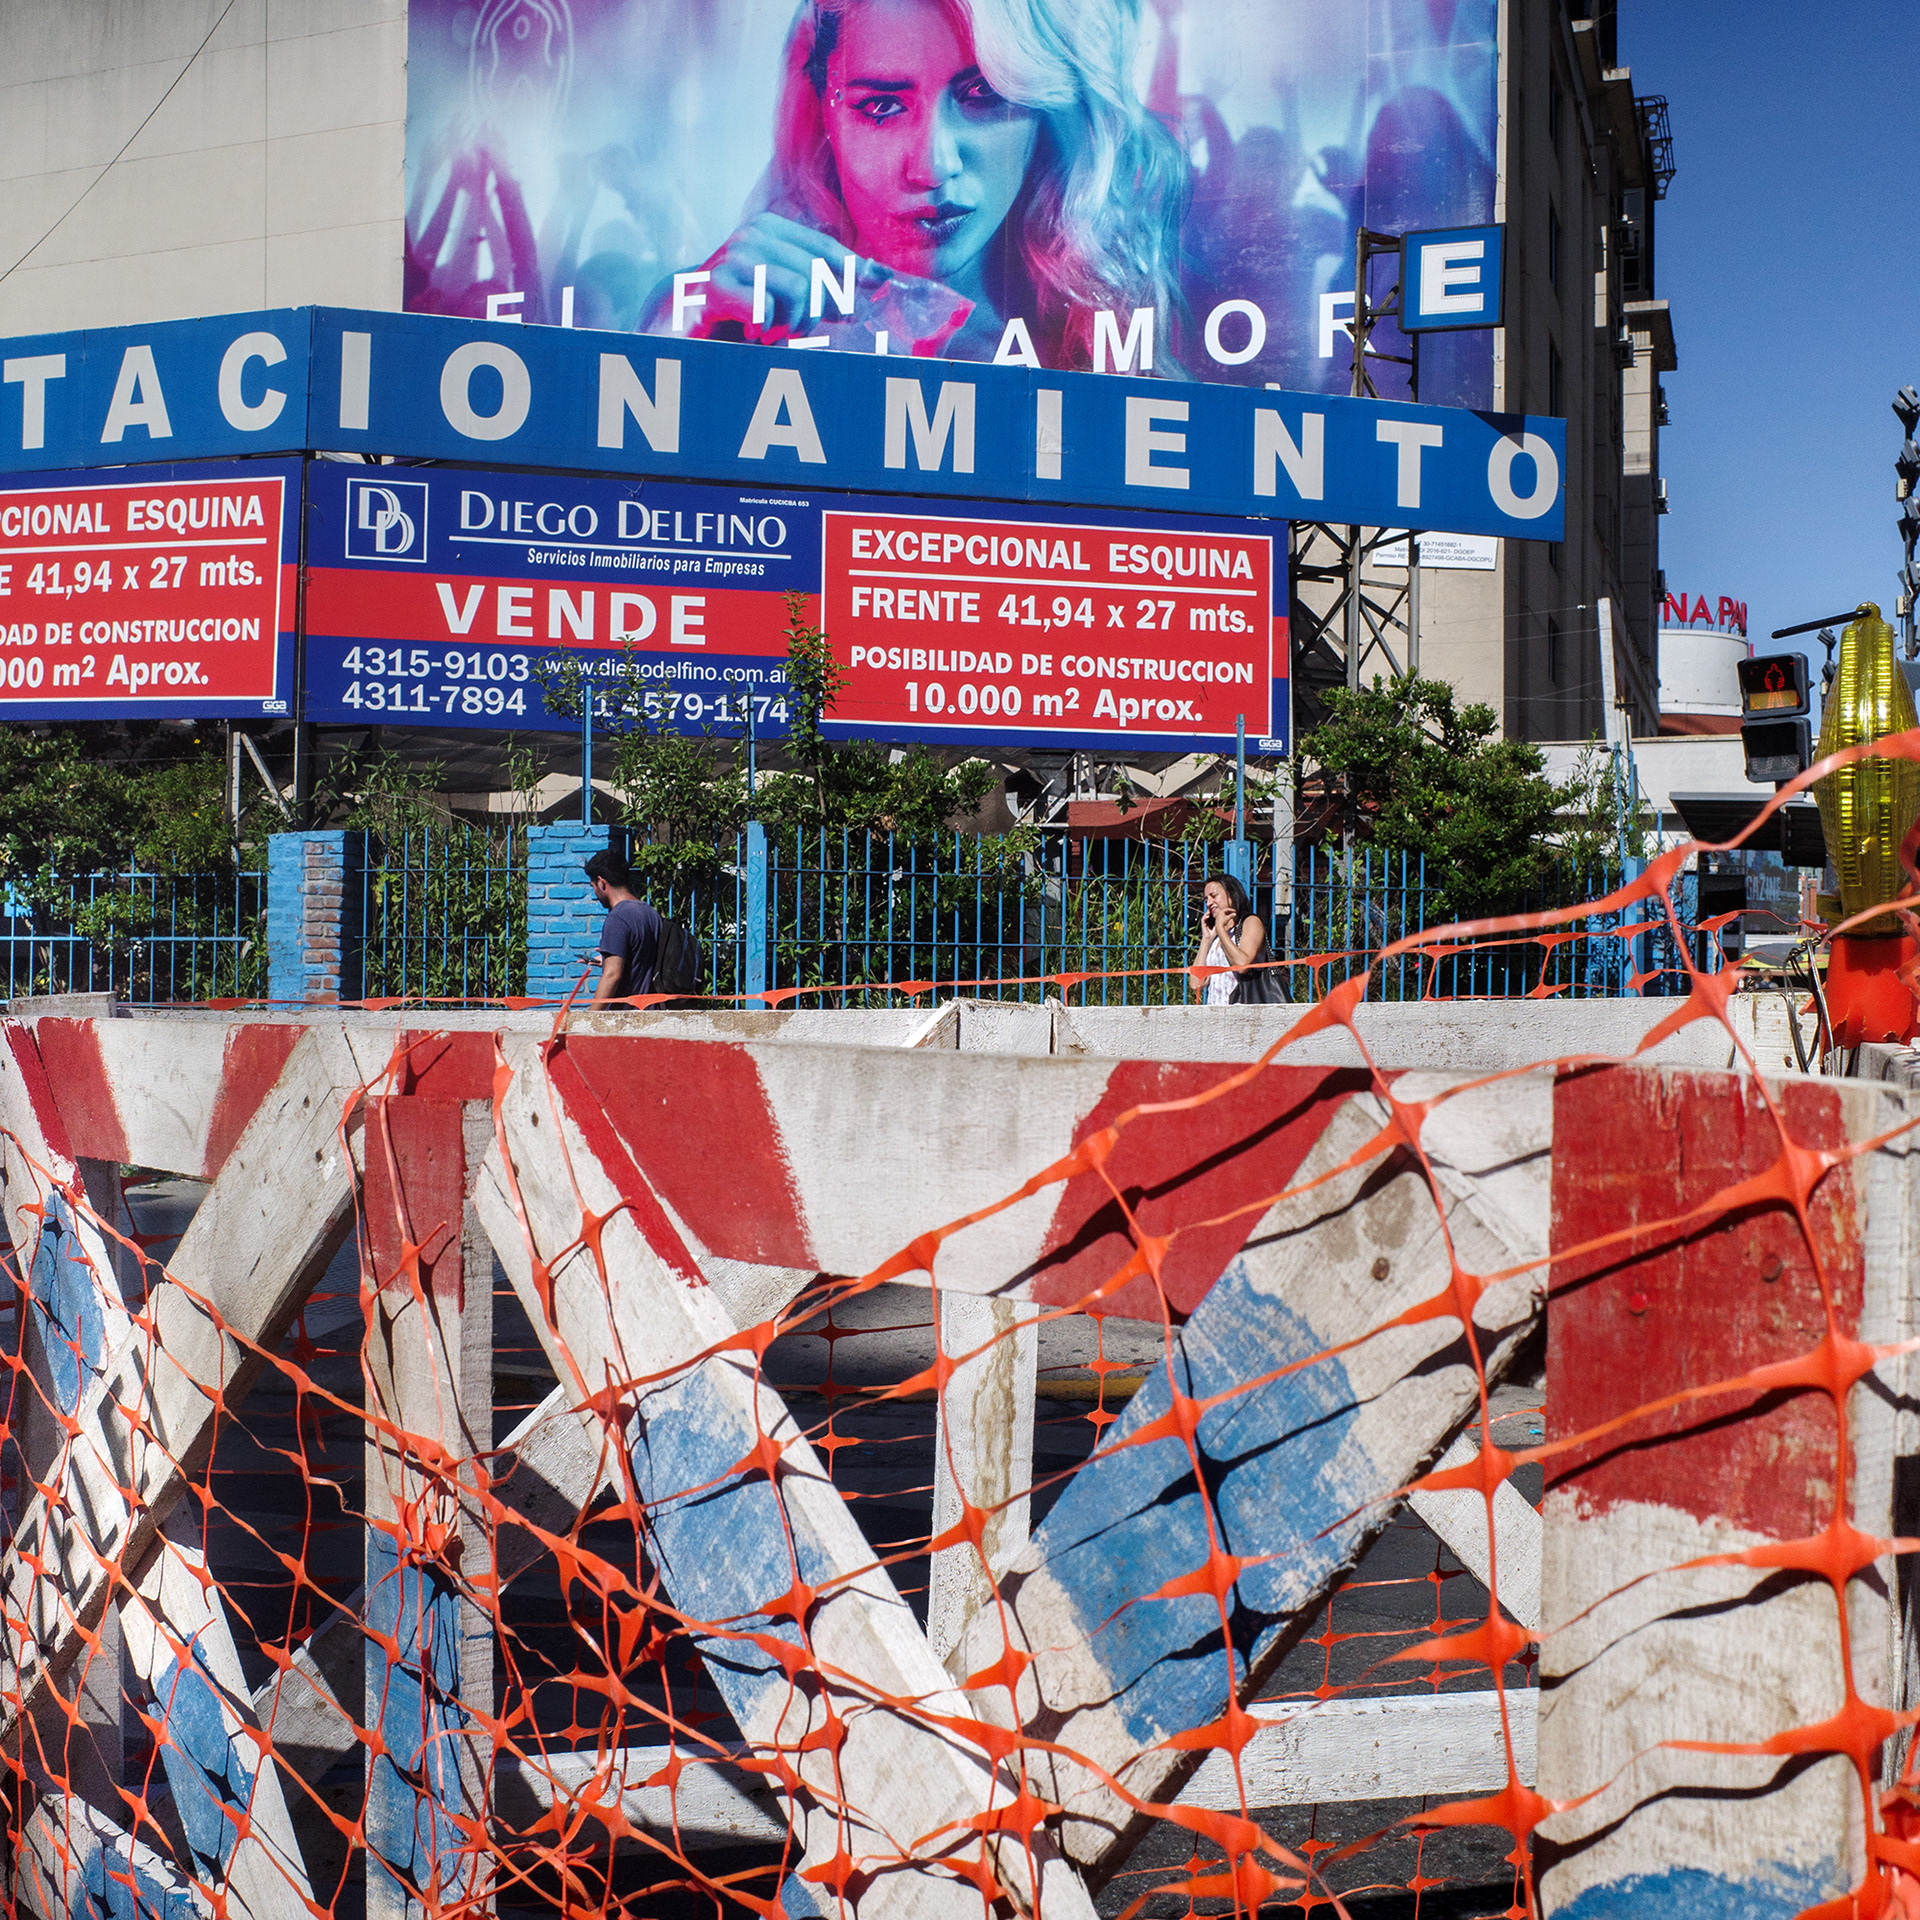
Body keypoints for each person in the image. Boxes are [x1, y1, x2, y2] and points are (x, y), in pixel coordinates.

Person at [642, 0, 1187, 367]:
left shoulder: (1107, 337)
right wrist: (667, 356)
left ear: (1043, 109)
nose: (932, 166)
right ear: (823, 113)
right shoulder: (721, 319)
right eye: (881, 106)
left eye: (984, 95)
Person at [585, 848, 664, 1008]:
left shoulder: (617, 918)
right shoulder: (650, 912)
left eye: (593, 886)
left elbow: (612, 975)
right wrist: (608, 960)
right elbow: (642, 959)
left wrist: (590, 1017)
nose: (595, 892)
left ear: (601, 882)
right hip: (650, 1012)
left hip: (626, 1015)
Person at [1189, 871, 1272, 1005]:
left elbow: (1242, 965)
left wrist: (1220, 928)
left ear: (1231, 895)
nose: (1209, 903)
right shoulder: (1217, 936)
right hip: (1216, 1011)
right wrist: (1206, 940)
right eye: (1206, 899)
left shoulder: (1250, 923)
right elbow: (1196, 983)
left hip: (1242, 1009)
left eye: (1214, 896)